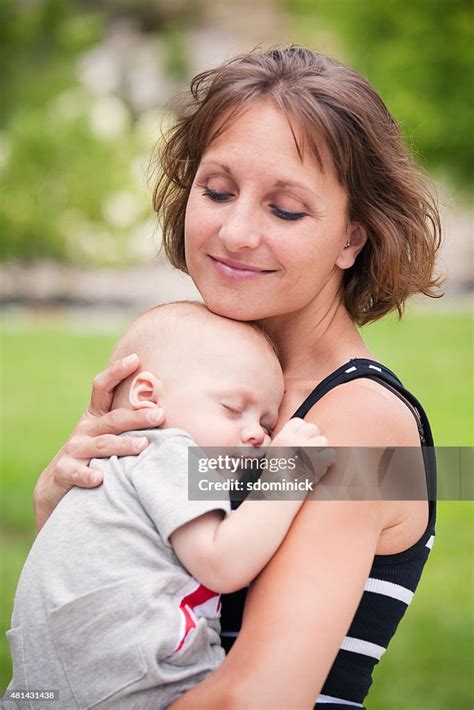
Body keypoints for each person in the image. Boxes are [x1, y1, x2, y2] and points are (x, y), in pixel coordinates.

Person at [32, 46, 441, 708]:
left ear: (352, 240)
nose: (235, 231)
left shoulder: (360, 423)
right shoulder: (197, 381)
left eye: (286, 210)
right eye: (216, 191)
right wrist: (71, 501)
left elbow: (255, 696)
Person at [5, 302, 331, 709]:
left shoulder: (114, 464)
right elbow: (223, 563)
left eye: (267, 425)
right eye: (232, 408)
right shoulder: (169, 449)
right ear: (147, 397)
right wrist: (288, 471)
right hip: (138, 687)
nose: (256, 436)